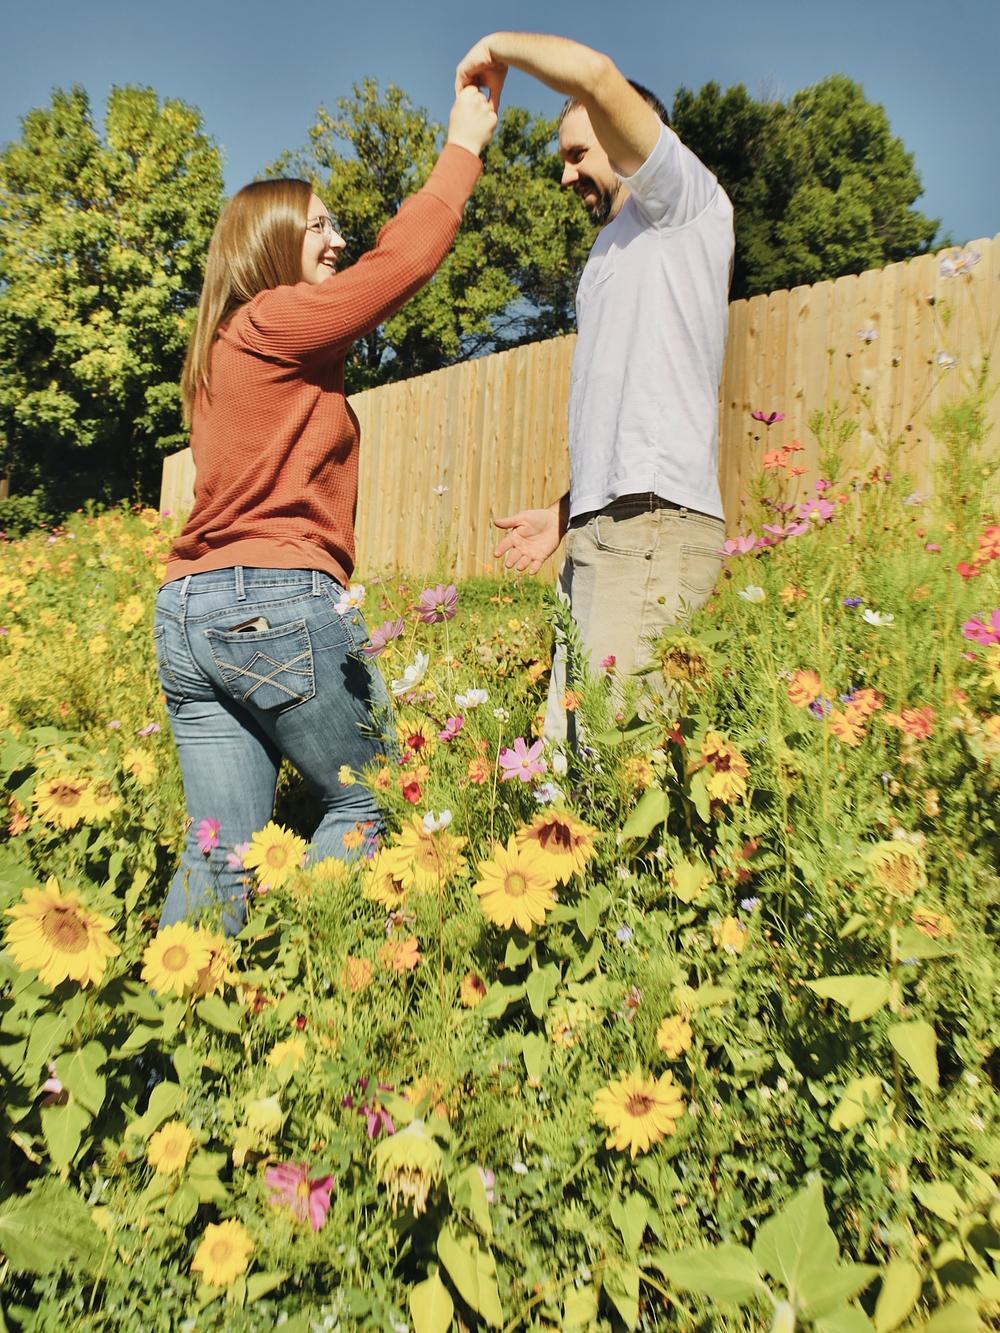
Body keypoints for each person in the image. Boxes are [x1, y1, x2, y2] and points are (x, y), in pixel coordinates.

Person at [153, 86, 497, 934]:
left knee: (219, 852)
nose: (338, 238)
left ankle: (184, 1016)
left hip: (188, 612)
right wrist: (462, 149)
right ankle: (322, 979)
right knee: (371, 800)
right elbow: (399, 266)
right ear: (270, 243)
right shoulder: (273, 320)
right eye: (318, 226)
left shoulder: (220, 351)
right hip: (276, 599)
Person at [456, 33, 733, 744]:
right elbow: (629, 412)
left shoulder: (684, 203)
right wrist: (567, 510)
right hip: (603, 526)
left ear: (624, 135)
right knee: (569, 757)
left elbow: (598, 75)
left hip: (652, 527)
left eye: (578, 153)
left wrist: (497, 48)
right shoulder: (610, 251)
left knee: (615, 762)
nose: (565, 174)